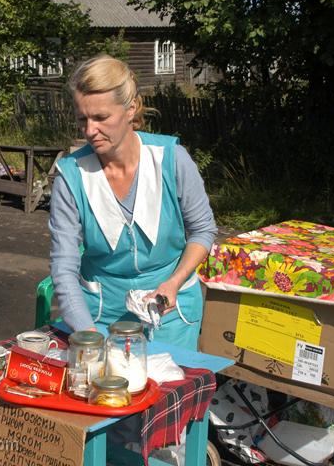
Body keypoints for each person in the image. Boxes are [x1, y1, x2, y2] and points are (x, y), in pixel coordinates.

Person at [49, 54, 217, 351]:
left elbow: (203, 230)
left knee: (167, 394)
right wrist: (88, 336)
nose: (89, 131)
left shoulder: (172, 160)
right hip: (100, 316)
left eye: (101, 118)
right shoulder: (71, 176)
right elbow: (64, 267)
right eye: (82, 119)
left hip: (170, 313)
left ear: (130, 109)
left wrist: (174, 282)